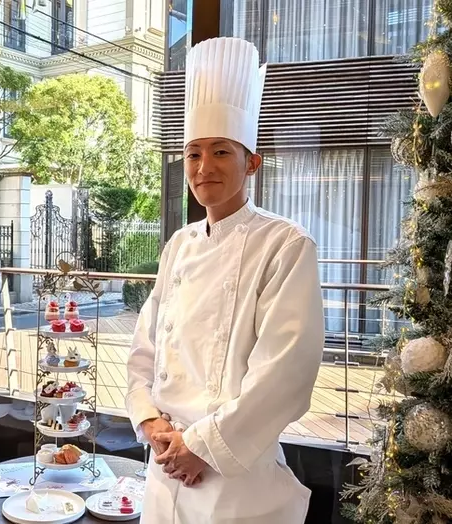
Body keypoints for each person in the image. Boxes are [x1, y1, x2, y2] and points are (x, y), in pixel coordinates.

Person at [125, 37, 325, 524]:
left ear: (251, 161)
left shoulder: (285, 243)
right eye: (193, 154)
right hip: (164, 467)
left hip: (234, 476)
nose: (204, 167)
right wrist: (150, 423)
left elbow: (285, 371)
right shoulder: (179, 244)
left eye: (221, 151)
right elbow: (144, 348)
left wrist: (201, 447)